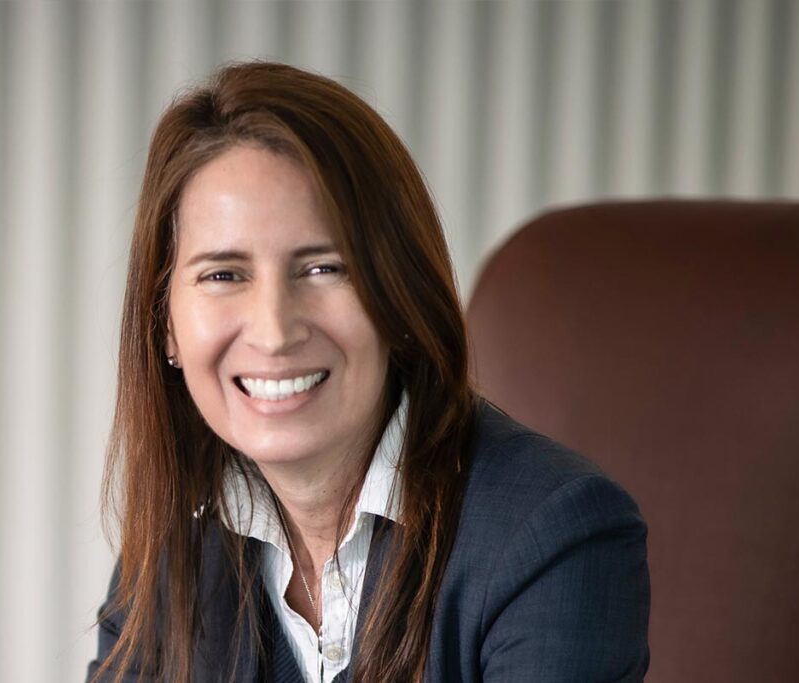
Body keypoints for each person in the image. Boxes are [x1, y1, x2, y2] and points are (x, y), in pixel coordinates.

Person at [86, 61, 649, 683]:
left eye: (325, 268)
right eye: (224, 275)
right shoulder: (171, 565)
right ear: (166, 326)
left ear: (398, 296)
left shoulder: (552, 536)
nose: (274, 331)